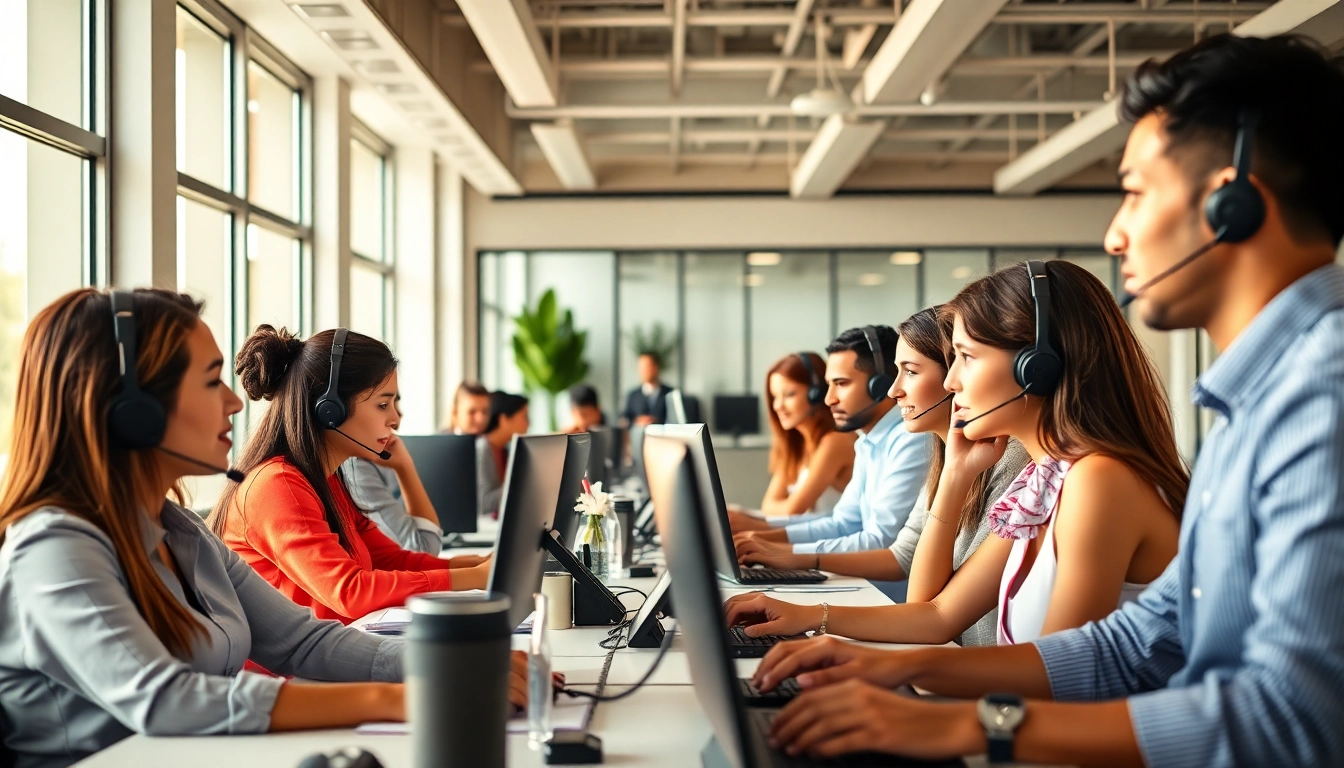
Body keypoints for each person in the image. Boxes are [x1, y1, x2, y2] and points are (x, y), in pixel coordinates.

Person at [744, 34, 1344, 767]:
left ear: (1233, 203)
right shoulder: (1254, 402)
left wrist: (969, 725)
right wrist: (891, 665)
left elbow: (1293, 721)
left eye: (1133, 192)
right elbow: (1134, 641)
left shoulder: (1322, 397)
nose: (1115, 235)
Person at [0, 288, 529, 768]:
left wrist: (452, 662)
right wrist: (414, 692)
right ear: (132, 412)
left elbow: (301, 643)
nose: (234, 402)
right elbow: (166, 699)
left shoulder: (181, 530)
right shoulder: (53, 547)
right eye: (211, 382)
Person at [732, 261, 1185, 649]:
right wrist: (812, 618)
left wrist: (863, 664)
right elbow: (934, 615)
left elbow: (1058, 675)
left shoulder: (1099, 479)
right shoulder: (1045, 479)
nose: (951, 383)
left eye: (966, 357)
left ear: (1038, 369)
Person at [731, 309, 1029, 647]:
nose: (893, 391)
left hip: (962, 660)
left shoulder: (1010, 462)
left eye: (910, 372)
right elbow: (908, 570)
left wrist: (800, 572)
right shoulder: (945, 454)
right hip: (942, 648)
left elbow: (925, 600)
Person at [211, 326, 490, 625]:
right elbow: (351, 591)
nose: (394, 419)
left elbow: (392, 560)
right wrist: (473, 577)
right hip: (283, 671)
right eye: (383, 404)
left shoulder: (326, 481)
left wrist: (480, 565)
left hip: (329, 651)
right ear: (330, 410)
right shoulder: (277, 484)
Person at [728, 326, 929, 554]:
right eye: (829, 384)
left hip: (877, 588)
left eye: (841, 383)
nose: (829, 398)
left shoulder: (911, 440)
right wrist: (759, 539)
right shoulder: (866, 442)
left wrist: (784, 552)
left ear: (880, 387)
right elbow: (842, 524)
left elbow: (880, 540)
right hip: (855, 580)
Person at [728, 352, 856, 520]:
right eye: (775, 397)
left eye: (789, 395)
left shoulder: (836, 440)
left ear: (816, 394)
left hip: (834, 541)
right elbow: (768, 504)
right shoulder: (797, 444)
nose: (778, 406)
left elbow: (794, 509)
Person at [339, 396, 444, 555]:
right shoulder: (355, 465)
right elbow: (423, 550)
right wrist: (405, 467)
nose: (397, 418)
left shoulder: (383, 457)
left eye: (396, 402)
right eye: (383, 405)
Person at [478, 391, 530, 518]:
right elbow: (484, 503)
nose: (528, 423)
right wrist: (522, 482)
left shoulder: (506, 449)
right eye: (524, 416)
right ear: (504, 419)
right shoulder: (482, 449)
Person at [620, 352, 672, 427]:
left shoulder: (670, 393)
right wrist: (637, 421)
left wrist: (655, 421)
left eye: (647, 367)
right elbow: (625, 419)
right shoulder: (633, 395)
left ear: (656, 367)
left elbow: (676, 420)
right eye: (641, 367)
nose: (643, 371)